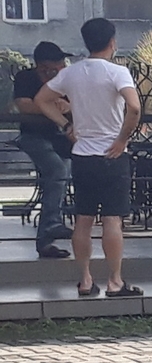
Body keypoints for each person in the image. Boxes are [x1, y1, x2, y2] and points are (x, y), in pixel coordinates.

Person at [36, 17, 142, 297]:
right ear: (112, 42)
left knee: (83, 219)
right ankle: (115, 280)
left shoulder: (72, 73)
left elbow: (41, 99)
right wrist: (122, 139)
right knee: (112, 219)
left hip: (82, 153)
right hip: (112, 154)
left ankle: (85, 279)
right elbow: (133, 107)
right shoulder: (117, 72)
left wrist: (66, 125)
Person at [12, 40, 72, 258]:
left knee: (61, 177)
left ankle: (45, 240)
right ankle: (53, 223)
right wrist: (49, 105)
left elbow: (74, 103)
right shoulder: (26, 78)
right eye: (53, 66)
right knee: (57, 171)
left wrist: (63, 106)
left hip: (62, 138)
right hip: (33, 135)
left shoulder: (66, 79)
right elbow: (24, 105)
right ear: (41, 66)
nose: (58, 69)